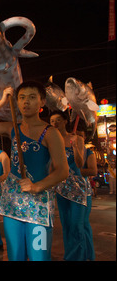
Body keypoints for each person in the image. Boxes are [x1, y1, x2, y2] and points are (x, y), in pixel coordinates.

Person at [0, 82, 69, 261]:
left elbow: (62, 171)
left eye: (32, 97)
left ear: (42, 102)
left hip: (39, 206)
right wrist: (2, 100)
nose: (26, 102)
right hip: (12, 203)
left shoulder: (50, 133)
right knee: (15, 255)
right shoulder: (13, 128)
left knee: (39, 257)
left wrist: (36, 187)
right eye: (22, 98)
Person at [50, 110, 88, 261]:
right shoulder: (51, 141)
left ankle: (79, 257)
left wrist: (74, 148)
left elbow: (80, 163)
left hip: (78, 187)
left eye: (58, 120)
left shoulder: (76, 138)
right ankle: (69, 257)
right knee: (66, 226)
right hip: (61, 189)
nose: (55, 123)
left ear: (65, 121)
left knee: (77, 226)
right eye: (52, 121)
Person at [77, 129, 97, 261]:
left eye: (81, 135)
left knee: (82, 224)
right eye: (75, 134)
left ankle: (88, 255)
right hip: (66, 194)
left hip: (83, 193)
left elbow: (93, 170)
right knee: (72, 226)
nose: (78, 137)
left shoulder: (88, 153)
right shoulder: (66, 151)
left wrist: (75, 171)